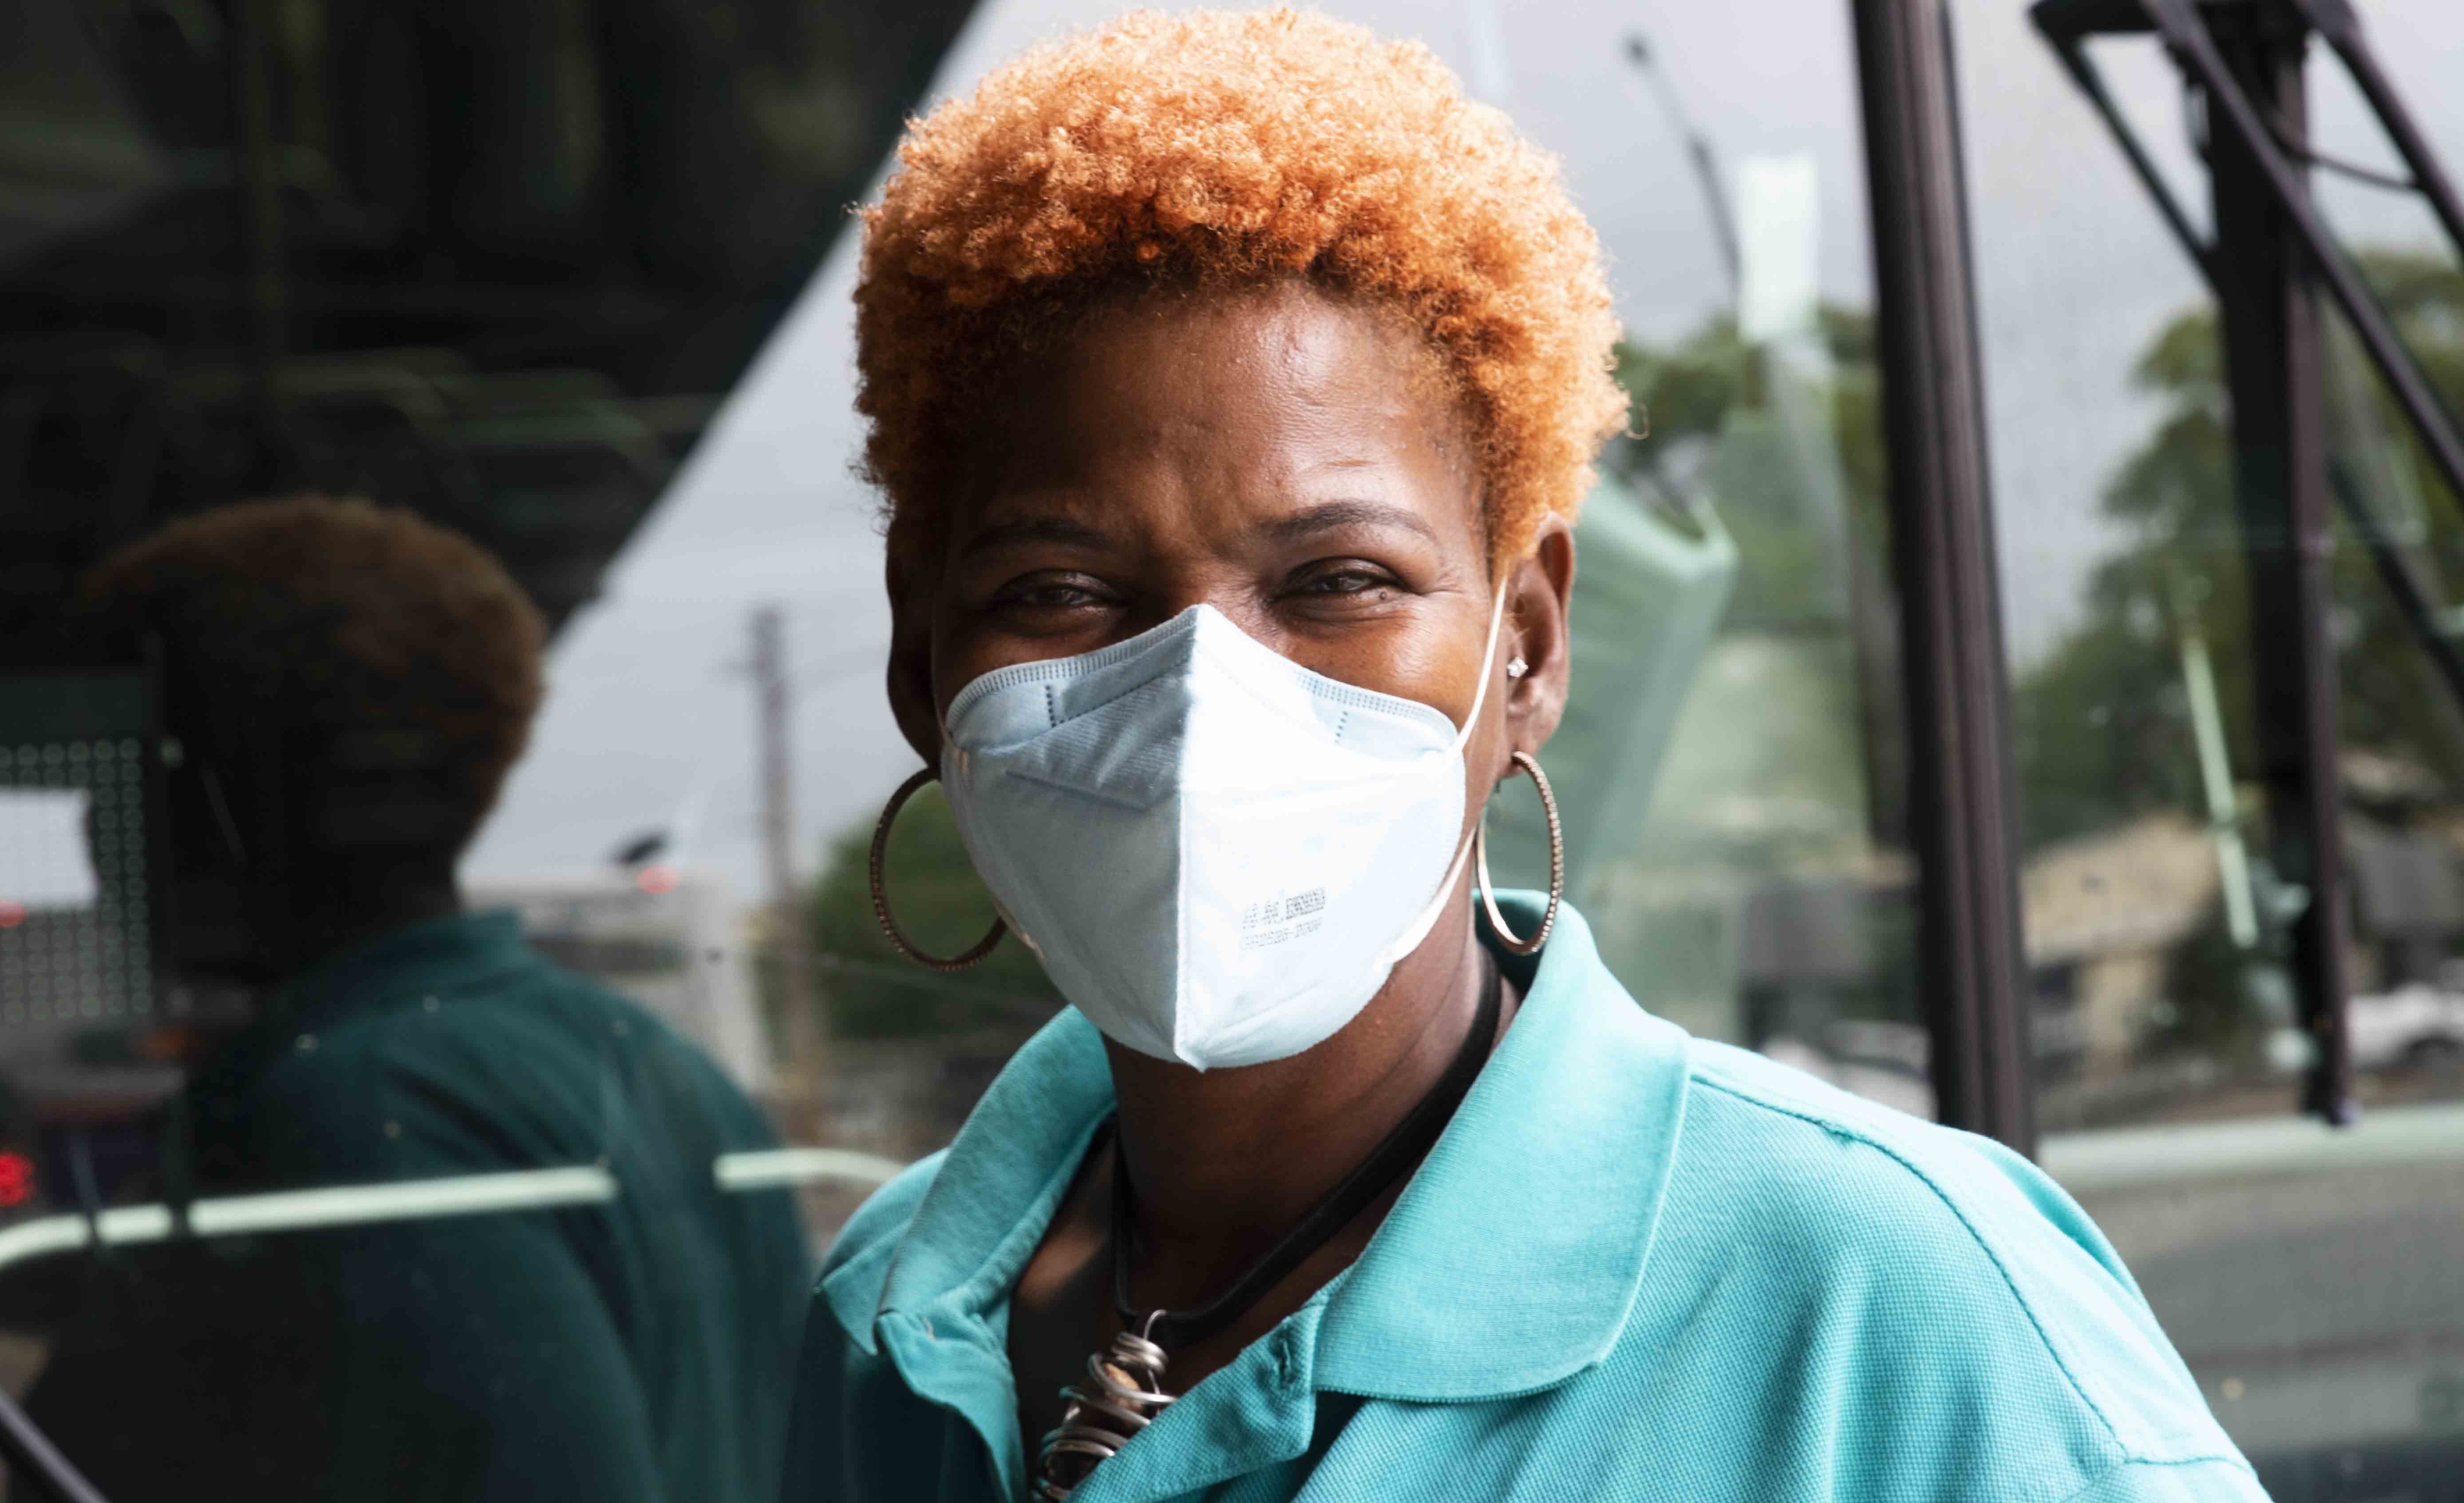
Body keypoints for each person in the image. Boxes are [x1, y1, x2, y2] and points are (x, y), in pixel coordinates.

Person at [783, 11, 2266, 1502]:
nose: (1197, 700)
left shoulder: (1890, 1307)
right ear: (925, 657)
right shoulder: (891, 1310)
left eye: (1338, 580)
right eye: (1063, 590)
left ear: (1532, 647)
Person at [23, 497, 809, 1502]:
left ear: (221, 792)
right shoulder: (643, 1056)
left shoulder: (354, 1115)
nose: (97, 833)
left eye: (121, 773)